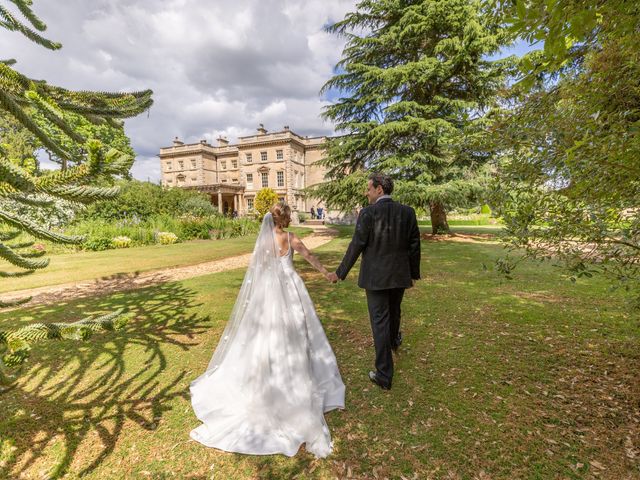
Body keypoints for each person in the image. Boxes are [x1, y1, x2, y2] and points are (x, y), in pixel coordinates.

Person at [190, 202, 345, 458]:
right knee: (298, 330)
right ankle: (295, 371)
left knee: (265, 334)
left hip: (268, 292)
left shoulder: (264, 242)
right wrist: (326, 273)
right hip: (291, 288)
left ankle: (270, 370)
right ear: (285, 218)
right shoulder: (291, 238)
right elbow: (310, 256)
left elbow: (258, 270)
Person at [328, 173, 421, 390]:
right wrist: (413, 274)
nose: (366, 192)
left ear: (379, 189)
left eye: (369, 188)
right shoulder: (407, 212)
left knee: (380, 321)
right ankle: (393, 342)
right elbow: (414, 245)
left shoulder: (368, 213)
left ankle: (383, 375)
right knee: (394, 311)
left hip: (376, 278)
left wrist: (339, 273)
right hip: (399, 276)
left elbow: (356, 245)